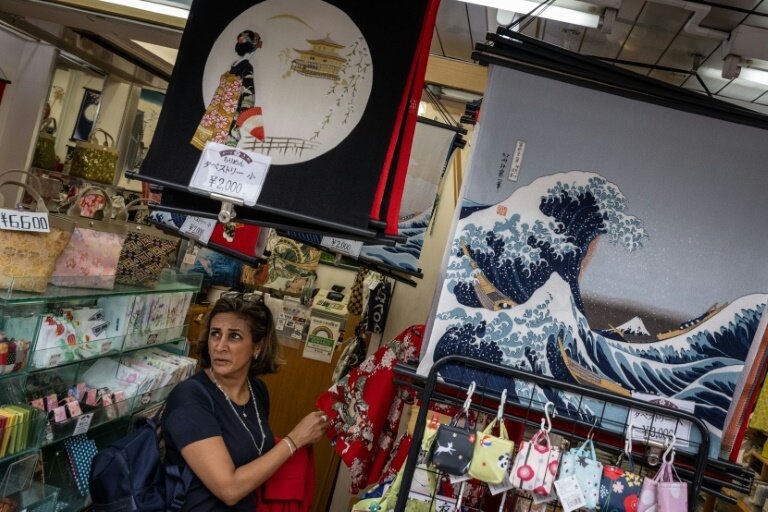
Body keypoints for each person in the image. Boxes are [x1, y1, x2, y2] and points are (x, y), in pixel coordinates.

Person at [162, 294, 326, 510]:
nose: (220, 346)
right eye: (215, 334)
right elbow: (228, 489)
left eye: (235, 337)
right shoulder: (190, 397)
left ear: (257, 347)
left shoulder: (257, 391)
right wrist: (294, 440)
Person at [191, 30, 262, 150]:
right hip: (221, 110)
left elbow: (248, 95)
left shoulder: (245, 67)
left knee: (221, 147)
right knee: (213, 146)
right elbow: (248, 93)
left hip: (230, 112)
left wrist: (241, 117)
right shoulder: (237, 67)